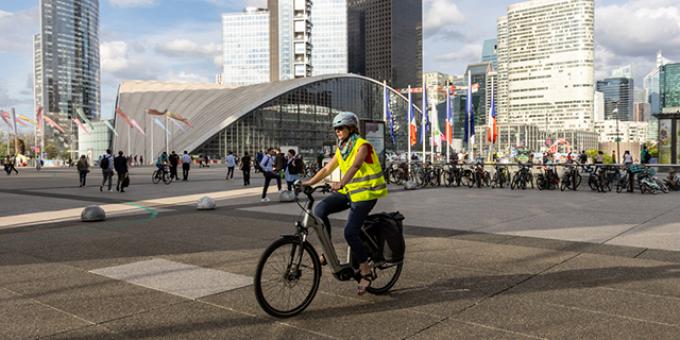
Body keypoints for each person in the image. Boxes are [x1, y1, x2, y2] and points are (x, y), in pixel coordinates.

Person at [303, 112, 388, 296]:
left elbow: (355, 166)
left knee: (350, 232)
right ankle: (328, 251)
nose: (338, 132)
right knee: (320, 209)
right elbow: (327, 168)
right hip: (350, 193)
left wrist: (342, 181)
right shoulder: (342, 148)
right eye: (336, 129)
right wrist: (309, 182)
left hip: (366, 194)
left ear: (351, 128)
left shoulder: (362, 145)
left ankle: (365, 271)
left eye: (341, 128)